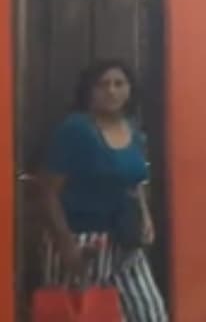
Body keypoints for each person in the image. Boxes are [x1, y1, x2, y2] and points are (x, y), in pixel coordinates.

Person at [40, 60, 168, 321]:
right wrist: (66, 245)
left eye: (119, 84)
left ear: (130, 89)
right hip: (83, 242)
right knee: (81, 314)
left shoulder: (133, 129)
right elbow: (49, 192)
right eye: (103, 84)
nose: (112, 91)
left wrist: (145, 218)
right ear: (90, 90)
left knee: (150, 313)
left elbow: (135, 182)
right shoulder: (75, 129)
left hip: (125, 239)